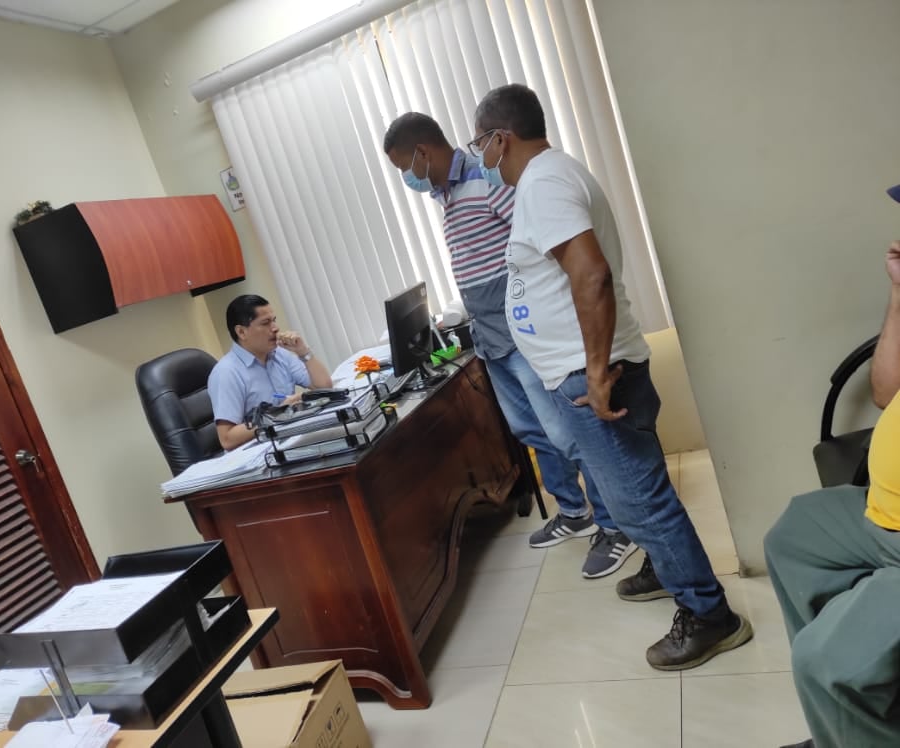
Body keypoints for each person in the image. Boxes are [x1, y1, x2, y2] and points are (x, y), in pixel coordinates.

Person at [471, 82, 752, 670]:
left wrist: (596, 374)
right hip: (583, 367)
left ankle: (710, 616)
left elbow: (591, 275)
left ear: (501, 138)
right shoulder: (552, 176)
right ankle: (664, 568)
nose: (483, 158)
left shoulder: (544, 183)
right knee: (633, 493)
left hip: (590, 371)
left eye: (481, 144)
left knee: (642, 500)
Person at [382, 112, 637, 578]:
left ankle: (614, 524)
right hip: (491, 337)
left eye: (404, 167)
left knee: (568, 434)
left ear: (422, 153)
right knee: (531, 431)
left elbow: (534, 248)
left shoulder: (485, 178)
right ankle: (574, 510)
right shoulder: (446, 194)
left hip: (522, 333)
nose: (407, 178)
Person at [765, 218, 900, 745]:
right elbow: (887, 391)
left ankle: (839, 693)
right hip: (882, 511)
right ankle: (846, 726)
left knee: (823, 660)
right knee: (795, 535)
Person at [208, 294, 332, 450]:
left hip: (290, 439)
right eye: (265, 323)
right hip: (260, 452)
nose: (275, 328)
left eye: (274, 320)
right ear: (241, 332)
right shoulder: (226, 373)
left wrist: (303, 352)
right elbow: (227, 439)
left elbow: (324, 387)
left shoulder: (279, 354)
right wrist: (278, 413)